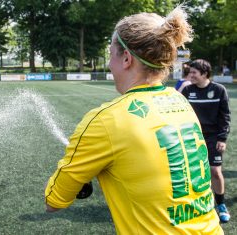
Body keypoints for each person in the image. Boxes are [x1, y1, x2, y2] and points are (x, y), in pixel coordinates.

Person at [44, 6, 223, 234]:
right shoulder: (180, 102)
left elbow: (53, 201)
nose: (110, 64)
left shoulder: (106, 120)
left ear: (126, 58)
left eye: (111, 55)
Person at [181, 59, 231, 223]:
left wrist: (222, 138)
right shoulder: (187, 90)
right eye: (190, 72)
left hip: (214, 137)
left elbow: (225, 117)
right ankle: (201, 204)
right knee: (194, 172)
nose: (190, 75)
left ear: (204, 74)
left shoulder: (218, 90)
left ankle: (221, 205)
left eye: (194, 72)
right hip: (193, 137)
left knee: (215, 172)